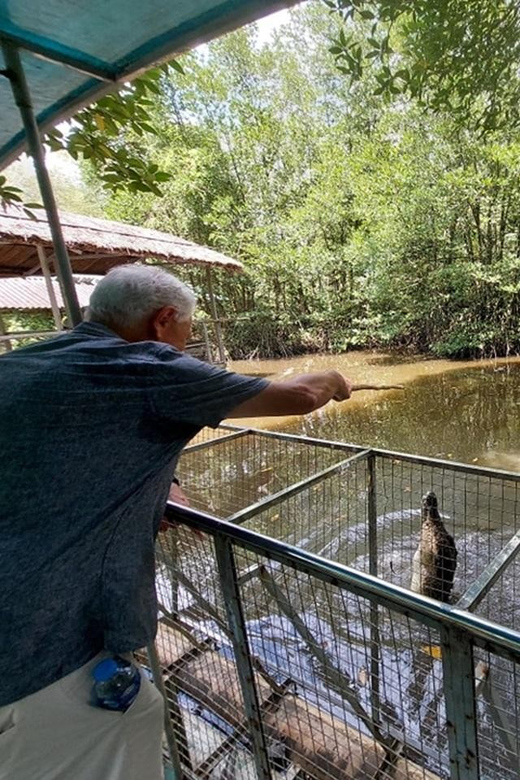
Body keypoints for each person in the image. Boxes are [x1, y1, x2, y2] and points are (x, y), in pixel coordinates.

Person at [0, 264, 352, 780]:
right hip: (36, 652)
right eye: (186, 330)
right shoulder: (147, 364)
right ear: (163, 320)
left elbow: (64, 455)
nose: (186, 343)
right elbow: (298, 397)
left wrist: (160, 486)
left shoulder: (22, 364)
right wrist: (335, 378)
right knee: (125, 733)